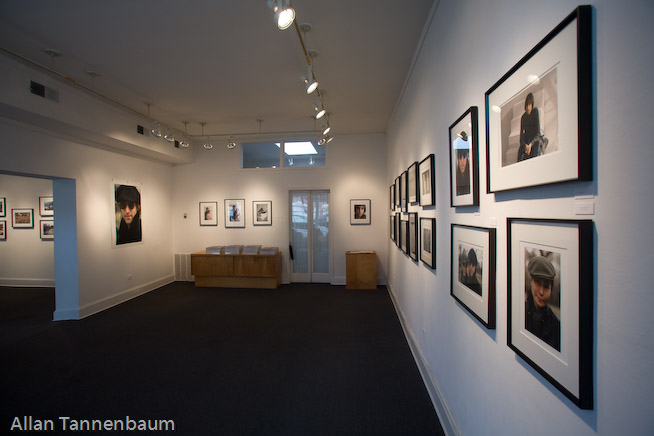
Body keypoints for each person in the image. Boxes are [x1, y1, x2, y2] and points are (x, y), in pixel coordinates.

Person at [525, 255, 560, 351]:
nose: (541, 292)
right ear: (531, 282)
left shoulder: (556, 326)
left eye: (546, 286)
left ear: (551, 290)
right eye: (538, 283)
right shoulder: (519, 312)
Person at [518, 92, 542, 161]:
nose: (527, 108)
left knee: (534, 150)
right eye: (526, 105)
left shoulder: (535, 111)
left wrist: (531, 144)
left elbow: (538, 132)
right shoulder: (523, 117)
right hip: (527, 139)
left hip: (534, 138)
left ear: (532, 105)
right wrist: (525, 145)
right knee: (521, 155)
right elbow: (521, 136)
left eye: (529, 105)